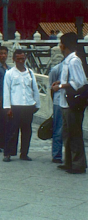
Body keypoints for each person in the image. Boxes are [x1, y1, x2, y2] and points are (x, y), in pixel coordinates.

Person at [51, 32, 87, 174]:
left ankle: (78, 164)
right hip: (65, 102)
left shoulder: (74, 61)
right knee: (67, 134)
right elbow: (70, 79)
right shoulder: (67, 61)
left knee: (75, 134)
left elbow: (79, 82)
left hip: (73, 103)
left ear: (64, 45)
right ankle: (69, 162)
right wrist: (61, 82)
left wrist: (60, 87)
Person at [2, 49, 41, 162]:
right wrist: (8, 107)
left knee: (27, 131)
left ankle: (24, 153)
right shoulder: (9, 73)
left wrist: (36, 104)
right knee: (12, 131)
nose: (20, 61)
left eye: (22, 59)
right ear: (14, 59)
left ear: (25, 59)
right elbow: (6, 91)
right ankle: (8, 153)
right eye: (18, 59)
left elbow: (35, 89)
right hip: (15, 106)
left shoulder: (30, 72)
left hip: (28, 106)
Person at [48, 62, 64, 163]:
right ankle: (57, 155)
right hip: (59, 102)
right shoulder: (56, 69)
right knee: (58, 129)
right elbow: (51, 88)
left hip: (71, 102)